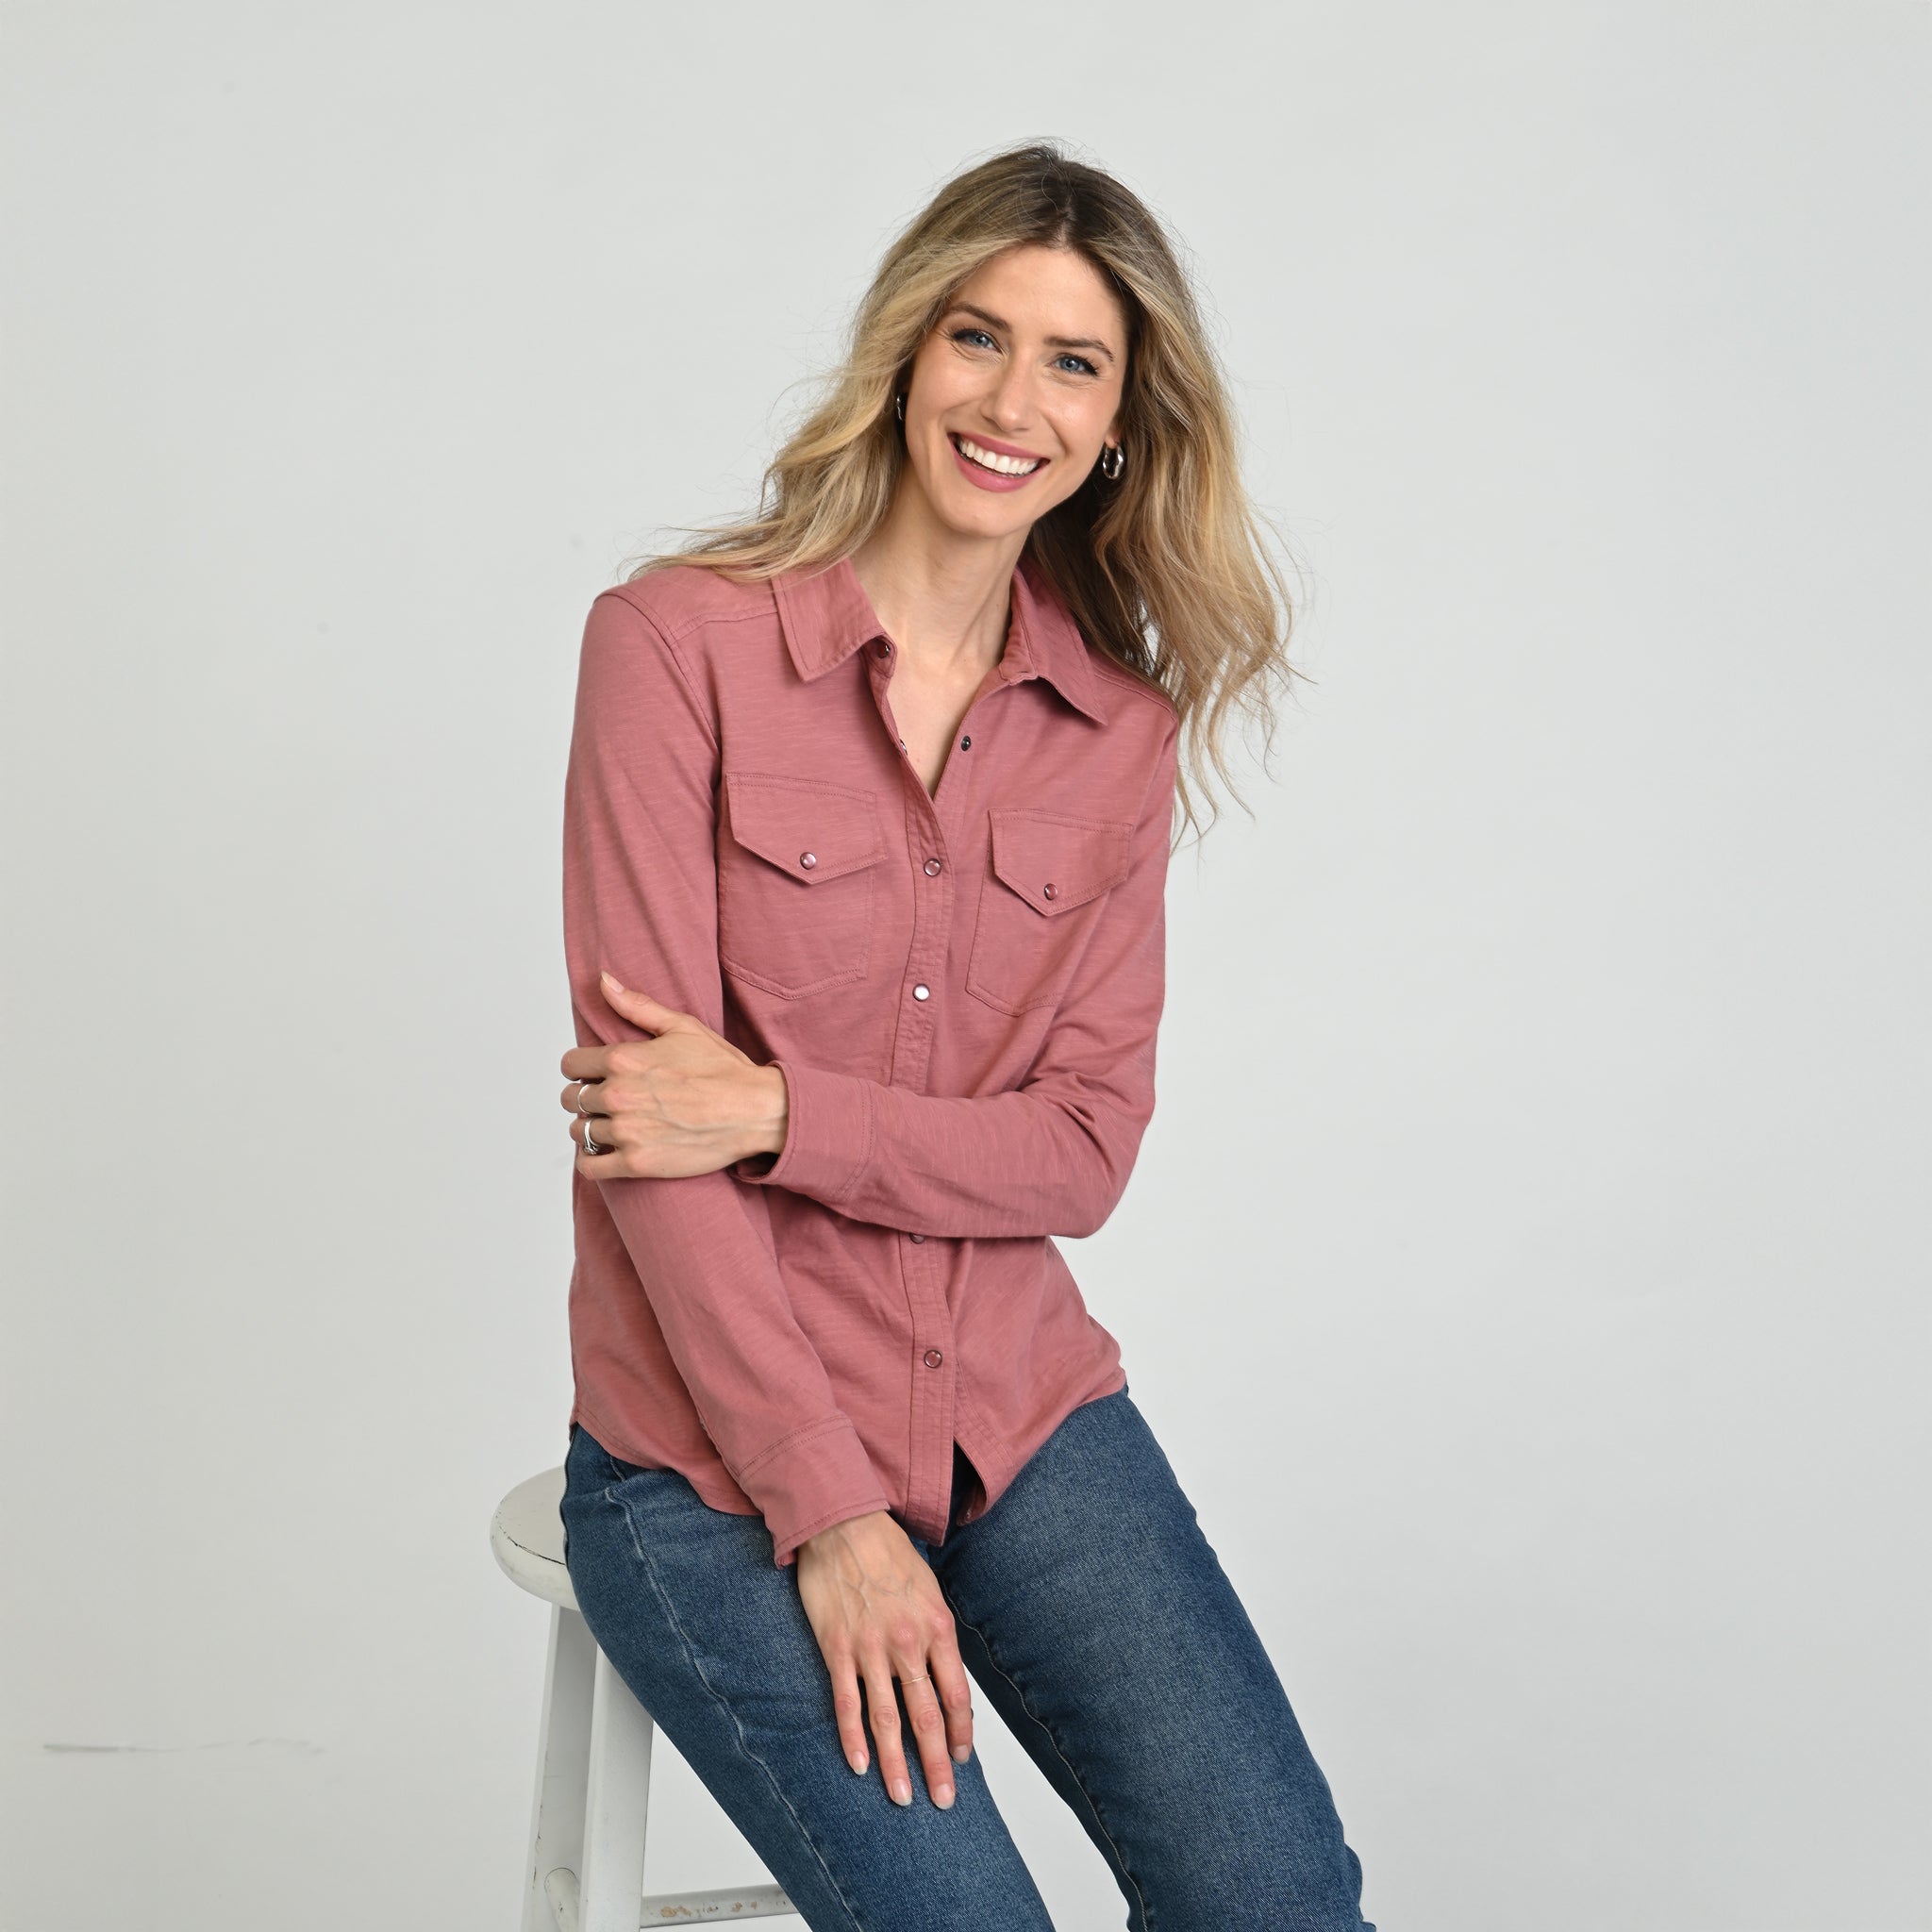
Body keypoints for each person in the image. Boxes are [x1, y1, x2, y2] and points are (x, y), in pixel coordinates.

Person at [552, 141, 1374, 1931]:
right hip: (716, 1463)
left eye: (1074, 363)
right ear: (907, 350)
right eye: (979, 338)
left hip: (1017, 1410)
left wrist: (779, 1112)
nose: (1013, 404)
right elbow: (650, 1148)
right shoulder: (674, 647)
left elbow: (1080, 1154)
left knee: (1283, 1903)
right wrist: (832, 1515)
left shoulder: (1117, 733)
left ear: (1122, 424)